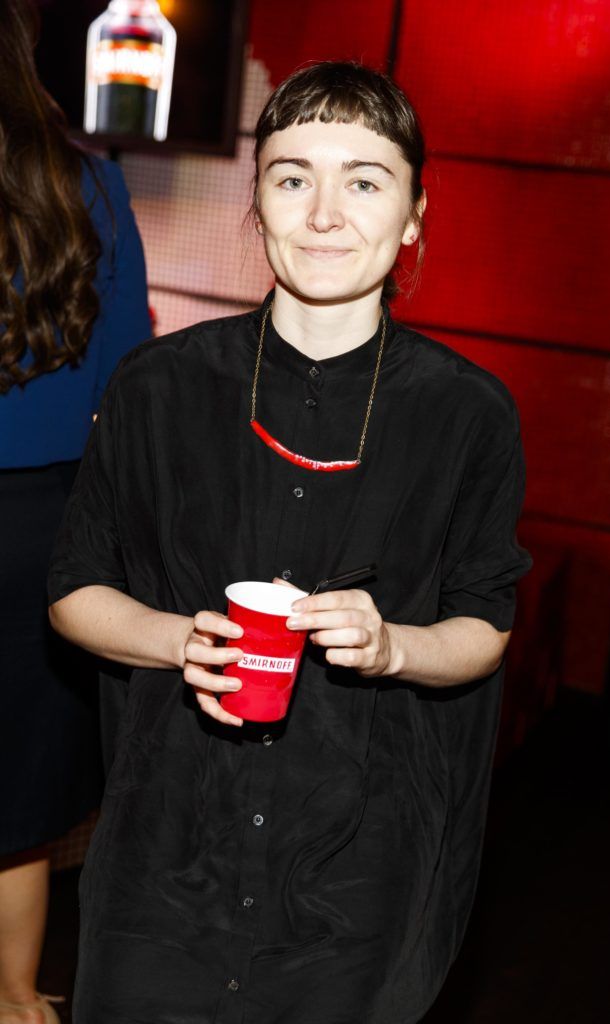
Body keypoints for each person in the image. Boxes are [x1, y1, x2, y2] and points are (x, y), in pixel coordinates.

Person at [48, 61, 531, 1023]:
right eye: (291, 176)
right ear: (255, 205)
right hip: (167, 851)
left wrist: (394, 645)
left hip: (361, 871)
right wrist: (184, 641)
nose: (322, 213)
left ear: (414, 216)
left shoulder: (469, 414)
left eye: (363, 180)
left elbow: (485, 623)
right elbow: (74, 591)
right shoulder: (155, 387)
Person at [0, 2, 151, 1022]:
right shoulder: (85, 176)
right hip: (41, 527)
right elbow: (130, 383)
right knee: (12, 796)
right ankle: (14, 993)